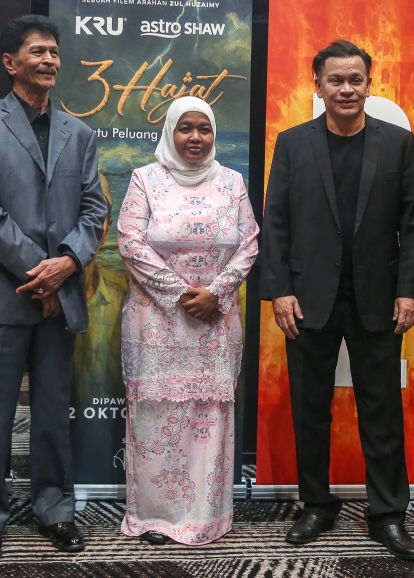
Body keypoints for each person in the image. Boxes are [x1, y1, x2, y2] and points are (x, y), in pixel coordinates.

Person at [261, 40, 414, 560]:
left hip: (378, 298)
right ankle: (317, 506)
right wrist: (280, 290)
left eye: (356, 79)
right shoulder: (293, 143)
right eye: (335, 80)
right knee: (310, 409)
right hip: (307, 298)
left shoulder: (397, 143)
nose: (346, 89)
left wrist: (411, 290)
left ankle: (388, 514)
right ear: (317, 85)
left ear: (369, 84)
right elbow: (276, 221)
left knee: (381, 412)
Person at [0, 14, 108, 562]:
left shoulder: (79, 133)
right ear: (10, 62)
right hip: (3, 295)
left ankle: (55, 509)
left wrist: (66, 263)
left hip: (59, 297)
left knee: (52, 413)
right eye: (37, 51)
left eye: (54, 52)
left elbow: (94, 210)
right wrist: (40, 272)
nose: (49, 60)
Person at [118, 96, 259, 545]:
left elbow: (250, 243)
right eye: (186, 128)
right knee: (155, 418)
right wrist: (182, 294)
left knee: (208, 417)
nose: (196, 137)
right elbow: (130, 242)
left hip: (216, 321)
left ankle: (204, 516)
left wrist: (216, 293)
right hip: (156, 322)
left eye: (204, 128)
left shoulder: (232, 182)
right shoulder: (145, 179)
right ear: (170, 132)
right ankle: (156, 516)